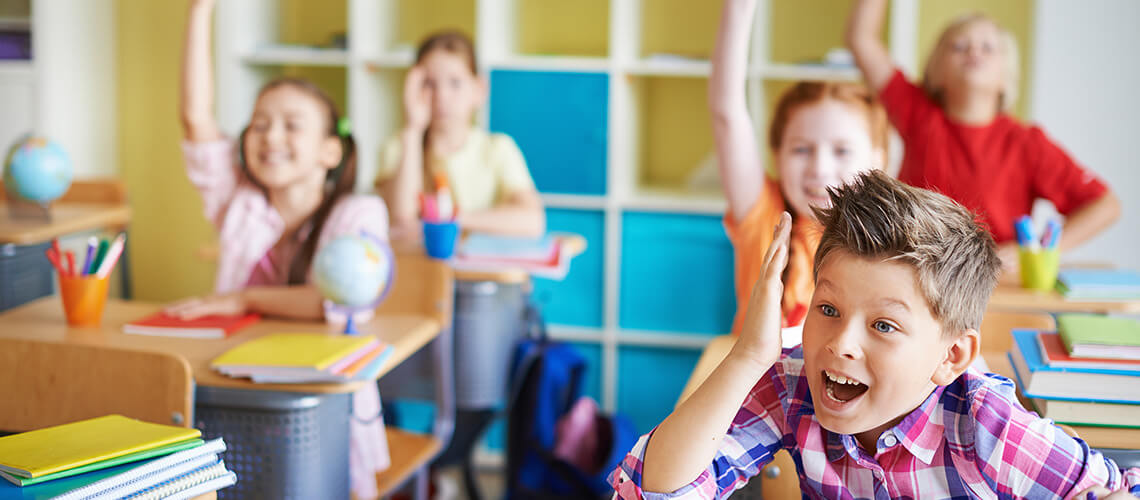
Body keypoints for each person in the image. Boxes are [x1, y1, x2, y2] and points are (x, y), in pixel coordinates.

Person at [611, 171, 1140, 499]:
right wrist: (749, 357)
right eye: (828, 308)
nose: (841, 343)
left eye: (883, 325)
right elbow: (654, 491)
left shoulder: (987, 427)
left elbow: (1117, 487)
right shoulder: (793, 384)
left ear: (952, 355)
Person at [174, 1, 390, 497]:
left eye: (292, 125)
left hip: (324, 407)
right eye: (259, 123)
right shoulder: (239, 202)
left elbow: (335, 302)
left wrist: (244, 299)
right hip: (239, 396)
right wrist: (199, 11)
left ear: (330, 151)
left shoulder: (359, 214)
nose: (270, 136)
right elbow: (194, 117)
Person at [846, 0, 1120, 274]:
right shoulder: (917, 113)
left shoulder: (1027, 144)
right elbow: (861, 40)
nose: (974, 51)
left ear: (1005, 77)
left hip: (990, 281)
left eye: (988, 47)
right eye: (959, 46)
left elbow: (1106, 205)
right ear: (937, 72)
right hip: (916, 272)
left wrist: (1035, 250)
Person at [711, 0, 887, 330]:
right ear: (777, 154)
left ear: (878, 159)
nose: (819, 168)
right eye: (802, 149)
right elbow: (727, 115)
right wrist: (739, 9)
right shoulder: (764, 216)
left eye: (842, 151)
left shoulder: (886, 237)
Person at [376, 30, 544, 242]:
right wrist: (412, 128)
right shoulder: (400, 148)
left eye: (455, 83)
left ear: (479, 89)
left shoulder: (498, 148)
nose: (441, 96)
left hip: (482, 262)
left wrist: (451, 218)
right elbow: (402, 219)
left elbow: (532, 221)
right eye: (429, 83)